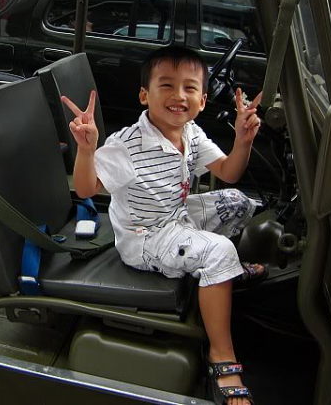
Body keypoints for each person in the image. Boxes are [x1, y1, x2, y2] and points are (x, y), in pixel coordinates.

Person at [62, 46, 264, 405]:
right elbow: (86, 188)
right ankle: (223, 357)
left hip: (177, 216)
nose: (178, 96)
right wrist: (87, 150)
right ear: (145, 95)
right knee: (221, 250)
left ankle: (221, 274)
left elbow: (229, 173)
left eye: (189, 88)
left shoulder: (192, 133)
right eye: (166, 85)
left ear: (202, 100)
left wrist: (243, 141)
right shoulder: (129, 145)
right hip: (146, 237)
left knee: (240, 203)